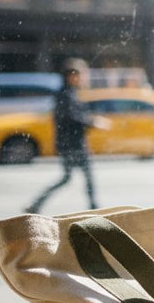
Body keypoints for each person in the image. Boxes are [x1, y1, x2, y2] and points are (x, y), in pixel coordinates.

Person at [26, 58, 111, 214]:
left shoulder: (69, 93)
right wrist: (93, 122)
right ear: (72, 76)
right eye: (81, 75)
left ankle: (36, 204)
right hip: (73, 144)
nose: (83, 79)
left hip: (72, 143)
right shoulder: (66, 95)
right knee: (83, 176)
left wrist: (90, 121)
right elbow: (71, 118)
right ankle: (94, 207)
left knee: (69, 177)